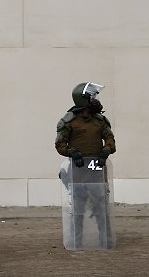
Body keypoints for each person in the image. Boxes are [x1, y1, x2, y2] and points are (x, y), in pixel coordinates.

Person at [55, 82, 117, 247]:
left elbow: (110, 139)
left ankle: (106, 241)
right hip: (78, 170)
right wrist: (72, 152)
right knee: (78, 210)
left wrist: (106, 150)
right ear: (83, 99)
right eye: (92, 97)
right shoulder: (69, 122)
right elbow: (60, 145)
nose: (95, 100)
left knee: (101, 208)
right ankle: (77, 242)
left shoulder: (100, 121)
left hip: (97, 169)